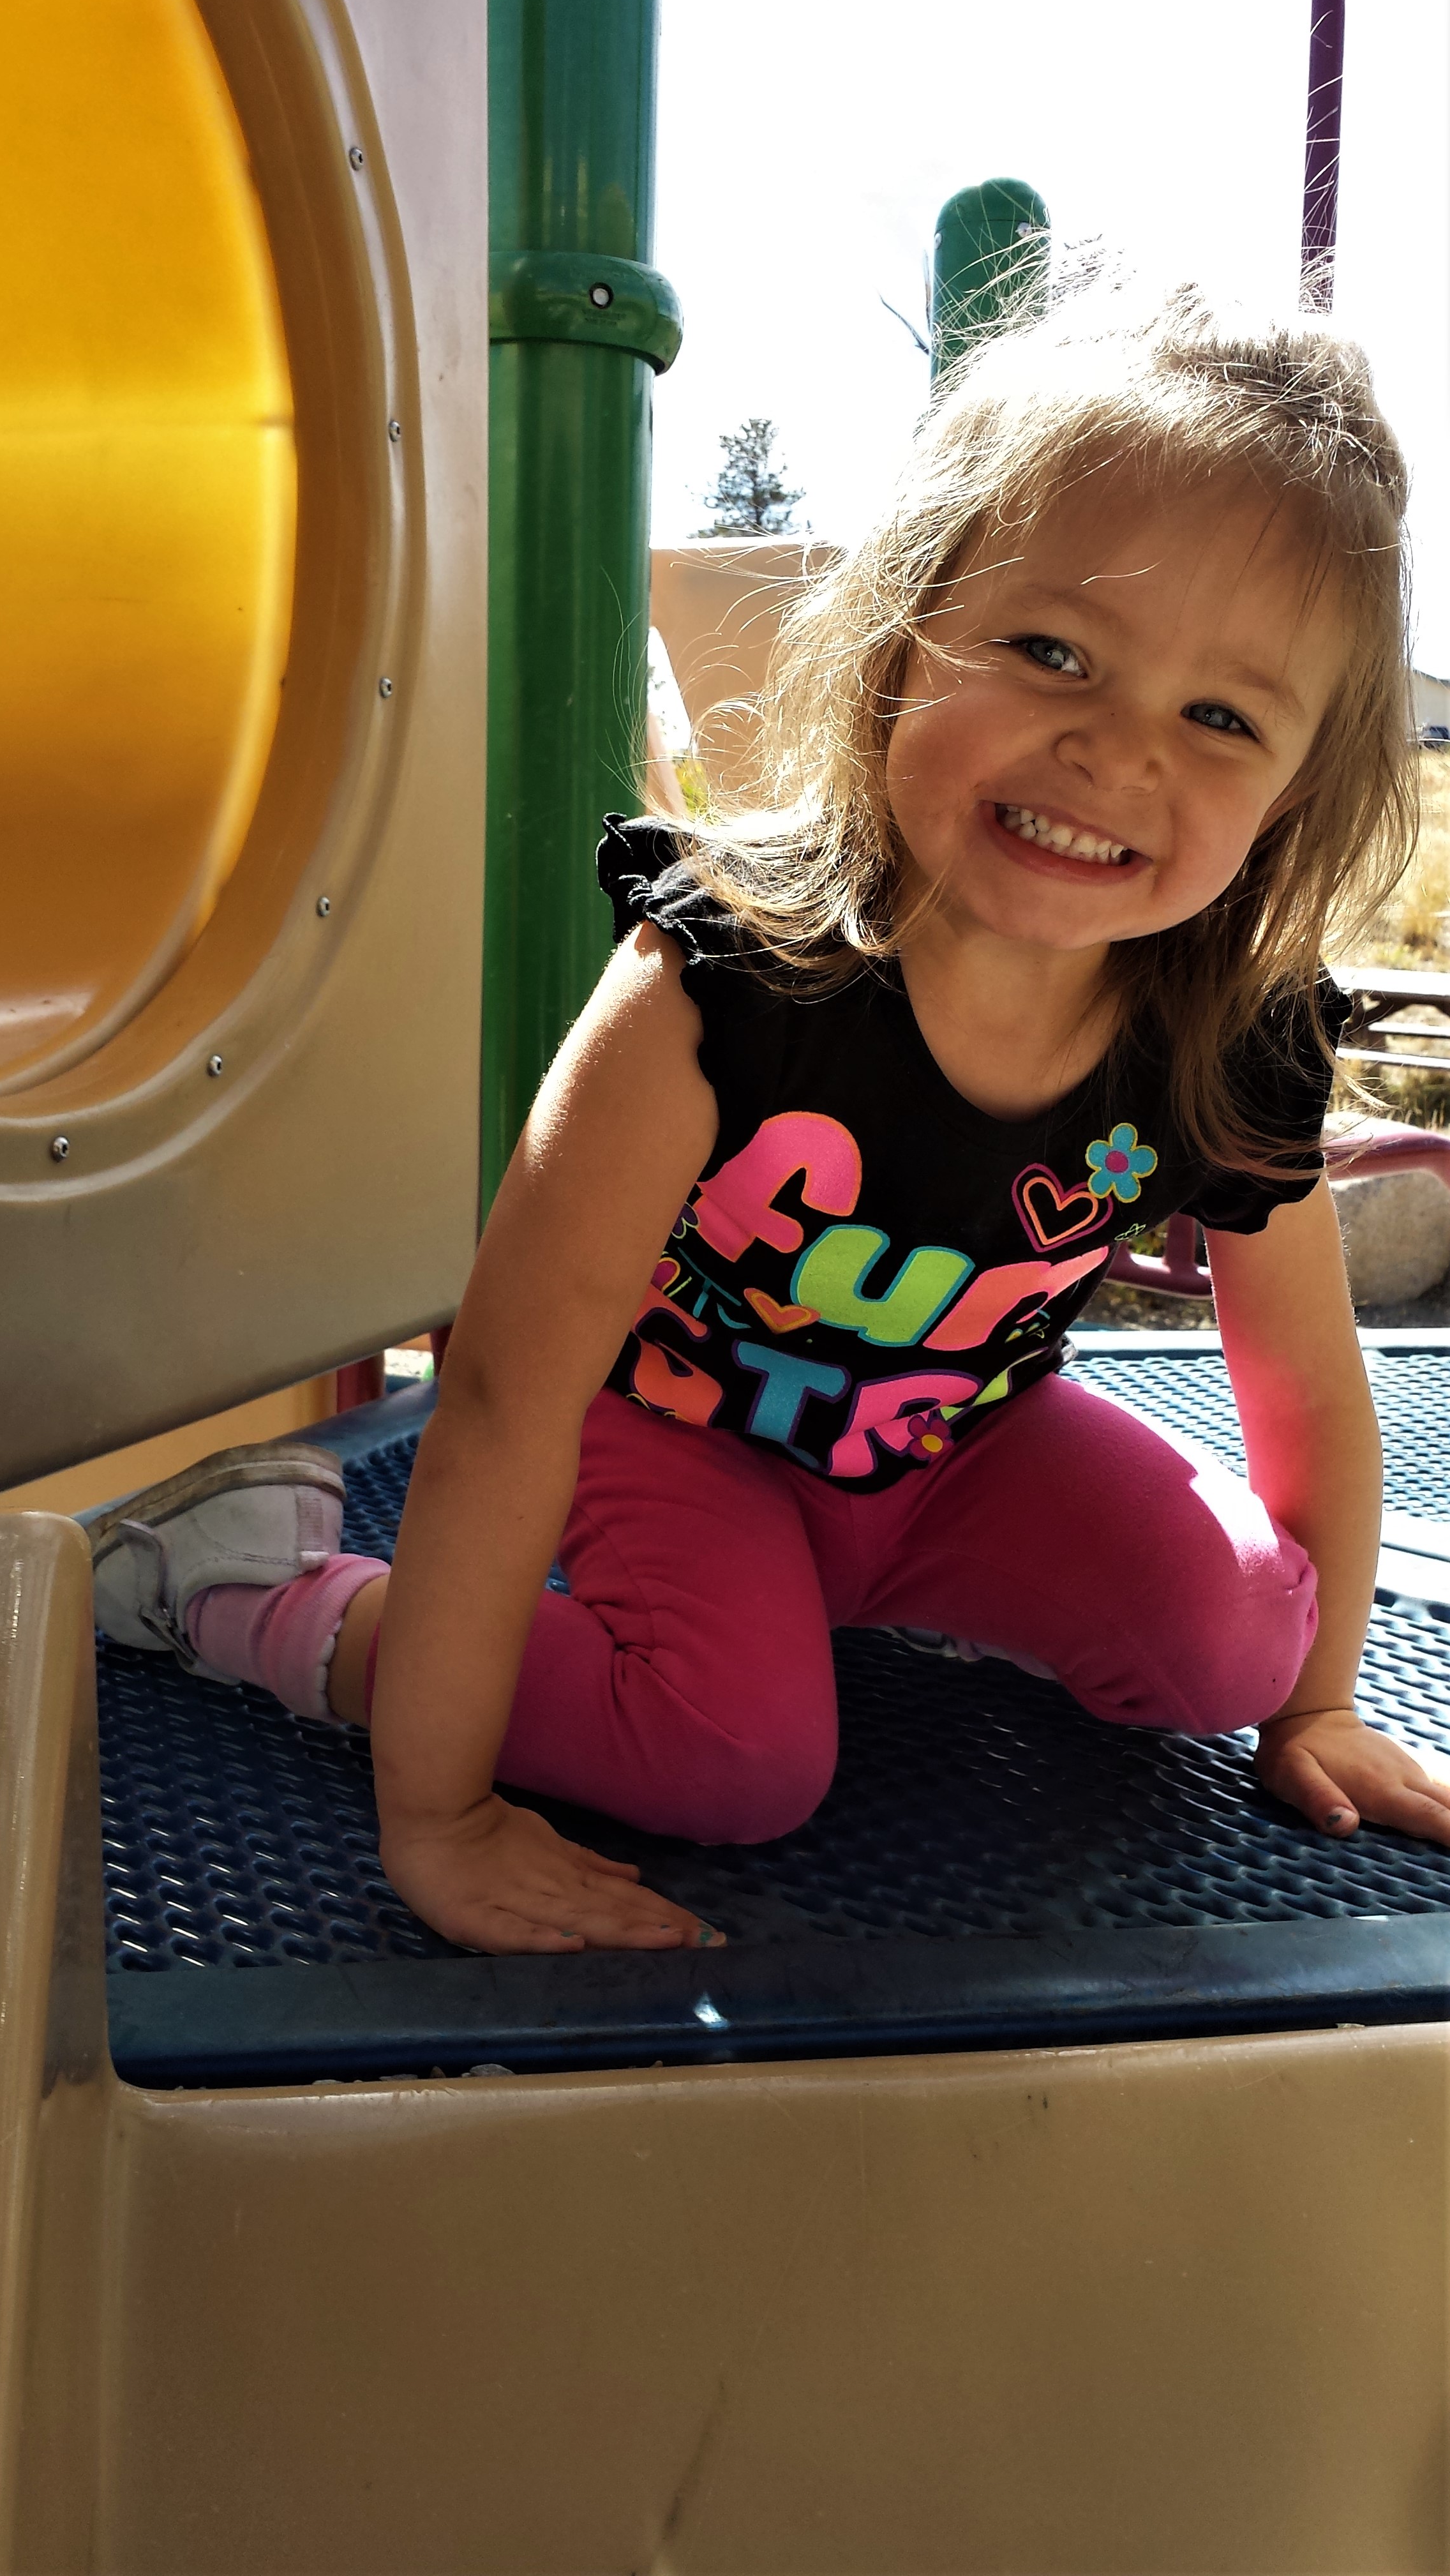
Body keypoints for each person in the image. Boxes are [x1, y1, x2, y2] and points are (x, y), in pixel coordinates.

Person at [92, 283, 1450, 1955]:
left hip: (951, 1450)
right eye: (1050, 651)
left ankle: (881, 1608)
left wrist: (1315, 1705)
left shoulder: (1228, 1033)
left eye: (1220, 716)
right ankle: (261, 1592)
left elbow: (1301, 1374)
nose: (1113, 752)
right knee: (733, 1761)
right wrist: (437, 1814)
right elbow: (509, 1390)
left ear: (1294, 792)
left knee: (1238, 1644)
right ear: (903, 635)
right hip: (680, 1431)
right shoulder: (729, 978)